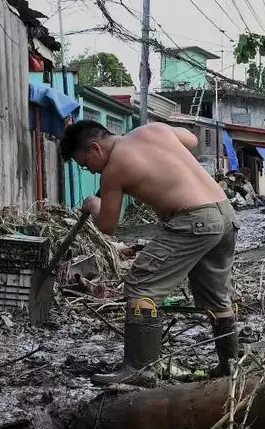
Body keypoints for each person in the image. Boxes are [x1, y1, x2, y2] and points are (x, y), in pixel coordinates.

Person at [60, 120, 240, 384]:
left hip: (193, 220)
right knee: (217, 298)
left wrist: (94, 204)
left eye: (85, 164)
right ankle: (229, 367)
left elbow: (108, 226)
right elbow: (190, 138)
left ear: (96, 148)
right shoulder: (152, 130)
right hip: (224, 214)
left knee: (140, 286)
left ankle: (139, 370)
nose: (89, 170)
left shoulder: (114, 169)